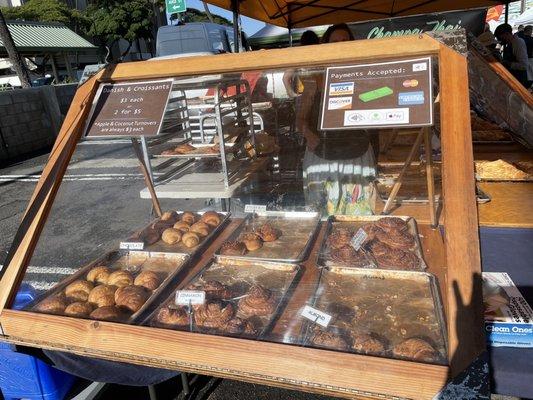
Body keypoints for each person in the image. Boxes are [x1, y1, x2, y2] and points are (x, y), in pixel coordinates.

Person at [296, 23, 377, 216]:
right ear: (326, 45)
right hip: (322, 156)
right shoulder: (314, 78)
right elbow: (300, 120)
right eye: (335, 41)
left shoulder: (362, 75)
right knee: (323, 214)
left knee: (358, 212)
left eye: (345, 41)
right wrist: (308, 135)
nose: (341, 45)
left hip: (357, 155)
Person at [282, 30, 319, 98]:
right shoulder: (298, 58)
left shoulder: (298, 58)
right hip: (311, 95)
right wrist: (292, 94)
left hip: (309, 95)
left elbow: (285, 78)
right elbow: (285, 78)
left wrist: (292, 94)